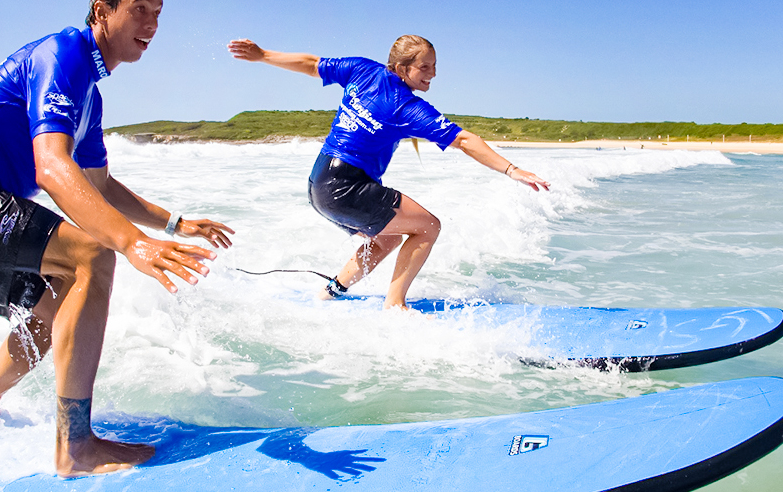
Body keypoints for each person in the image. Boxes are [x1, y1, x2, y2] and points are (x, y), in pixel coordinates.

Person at [0, 0, 234, 477]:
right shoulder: (64, 53)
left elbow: (97, 185)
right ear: (103, 11)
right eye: (140, 8)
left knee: (56, 303)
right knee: (93, 254)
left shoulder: (89, 98)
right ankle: (75, 449)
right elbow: (51, 168)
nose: (151, 24)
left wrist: (173, 223)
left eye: (158, 14)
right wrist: (133, 245)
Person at [228, 34, 548, 309]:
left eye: (435, 66)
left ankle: (332, 291)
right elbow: (463, 140)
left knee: (388, 236)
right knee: (428, 227)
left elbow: (312, 64)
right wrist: (512, 170)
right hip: (346, 186)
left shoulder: (361, 70)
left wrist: (262, 56)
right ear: (400, 68)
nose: (432, 74)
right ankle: (394, 305)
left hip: (319, 183)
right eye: (424, 67)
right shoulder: (405, 106)